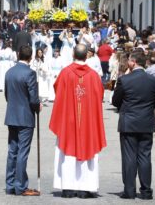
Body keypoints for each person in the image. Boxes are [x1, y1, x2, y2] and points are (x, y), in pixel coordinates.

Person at [49, 44, 106, 199]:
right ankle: (85, 188)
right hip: (87, 122)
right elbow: (99, 95)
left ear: (73, 54)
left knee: (67, 152)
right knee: (88, 148)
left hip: (69, 121)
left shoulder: (66, 73)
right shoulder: (94, 76)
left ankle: (67, 187)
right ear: (86, 55)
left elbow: (58, 91)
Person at [112, 49, 155, 200]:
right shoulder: (153, 80)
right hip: (146, 122)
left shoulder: (125, 80)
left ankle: (130, 190)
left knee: (129, 157)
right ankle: (146, 191)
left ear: (132, 62)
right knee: (145, 156)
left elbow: (115, 101)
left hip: (129, 122)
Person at [4, 45, 41, 196]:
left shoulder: (9, 72)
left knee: (12, 150)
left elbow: (7, 95)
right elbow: (33, 98)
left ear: (19, 55)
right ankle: (20, 186)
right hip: (25, 116)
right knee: (22, 152)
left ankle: (10, 184)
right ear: (30, 57)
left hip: (12, 115)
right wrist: (37, 105)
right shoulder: (30, 73)